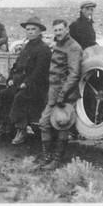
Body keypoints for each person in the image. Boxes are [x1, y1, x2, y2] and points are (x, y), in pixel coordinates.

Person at [0, 16, 51, 145]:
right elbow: (16, 66)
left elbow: (40, 71)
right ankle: (4, 124)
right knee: (3, 95)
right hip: (20, 83)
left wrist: (27, 83)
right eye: (28, 29)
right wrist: (11, 79)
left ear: (40, 31)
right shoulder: (26, 47)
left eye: (33, 29)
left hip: (36, 86)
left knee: (20, 98)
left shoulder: (44, 49)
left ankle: (21, 129)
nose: (30, 32)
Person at [38, 19, 83, 170]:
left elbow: (74, 74)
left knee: (63, 123)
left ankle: (57, 160)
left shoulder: (74, 47)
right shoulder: (57, 44)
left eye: (60, 30)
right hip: (54, 91)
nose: (58, 33)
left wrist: (63, 95)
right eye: (55, 30)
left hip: (66, 93)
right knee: (44, 123)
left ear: (67, 29)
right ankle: (47, 158)